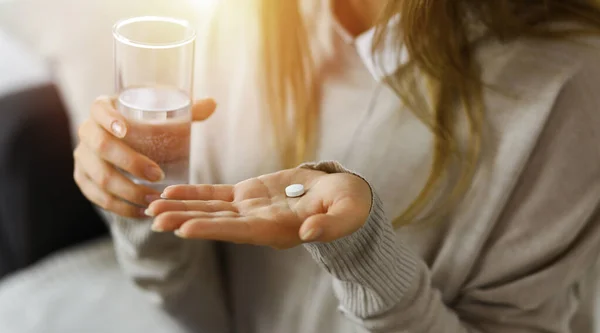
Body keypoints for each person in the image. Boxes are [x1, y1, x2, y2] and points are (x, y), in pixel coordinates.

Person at [73, 0, 600, 332]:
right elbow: (200, 315)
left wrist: (364, 258)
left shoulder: (568, 85)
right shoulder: (237, 21)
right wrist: (140, 198)